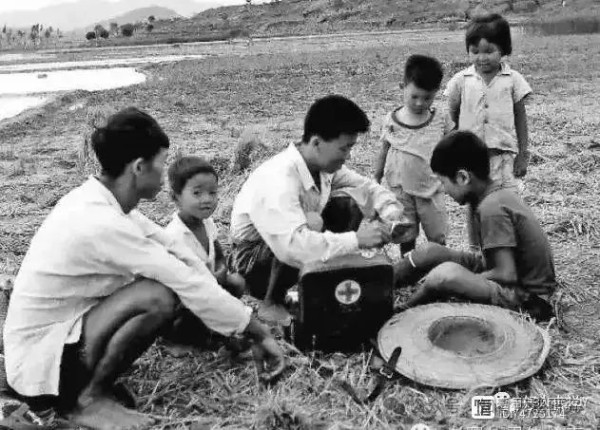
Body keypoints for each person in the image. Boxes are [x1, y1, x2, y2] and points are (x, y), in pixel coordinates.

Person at [3, 107, 285, 430]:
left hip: (59, 341)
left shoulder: (105, 202)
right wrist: (256, 330)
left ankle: (90, 386)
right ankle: (87, 400)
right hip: (39, 365)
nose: (165, 174)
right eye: (162, 164)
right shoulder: (100, 221)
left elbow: (173, 247)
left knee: (172, 284)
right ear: (139, 167)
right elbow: (179, 278)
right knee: (157, 296)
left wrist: (227, 314)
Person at [229, 95, 406, 324]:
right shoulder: (279, 179)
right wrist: (357, 240)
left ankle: (323, 283)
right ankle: (271, 302)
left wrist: (392, 215)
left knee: (348, 204)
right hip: (253, 260)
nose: (348, 156)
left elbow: (365, 186)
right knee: (311, 223)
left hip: (284, 250)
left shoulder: (323, 168)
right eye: (344, 148)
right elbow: (292, 247)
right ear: (315, 142)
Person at [397, 131, 555, 321]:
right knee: (429, 251)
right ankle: (379, 280)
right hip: (506, 273)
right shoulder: (493, 196)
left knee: (444, 275)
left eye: (443, 182)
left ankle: (403, 311)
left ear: (463, 177)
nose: (444, 190)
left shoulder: (492, 208)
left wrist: (459, 280)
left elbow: (506, 274)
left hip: (529, 299)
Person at [163, 156, 248, 354]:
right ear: (175, 197)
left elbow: (217, 250)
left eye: (212, 192)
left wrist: (222, 267)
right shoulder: (175, 235)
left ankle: (212, 329)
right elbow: (180, 281)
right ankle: (179, 339)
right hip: (185, 299)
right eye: (197, 193)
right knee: (193, 317)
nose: (207, 199)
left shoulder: (207, 223)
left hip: (208, 288)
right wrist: (210, 281)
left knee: (236, 282)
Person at [374, 54, 454, 255]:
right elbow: (383, 149)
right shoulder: (392, 120)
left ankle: (438, 264)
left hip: (430, 187)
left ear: (436, 92)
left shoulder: (440, 119)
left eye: (427, 98)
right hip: (401, 189)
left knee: (437, 233)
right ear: (402, 87)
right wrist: (376, 177)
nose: (420, 103)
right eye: (414, 96)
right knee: (406, 232)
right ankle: (407, 267)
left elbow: (452, 145)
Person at [445, 13, 532, 190]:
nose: (482, 58)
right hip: (470, 160)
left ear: (504, 49)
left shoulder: (513, 79)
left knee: (507, 200)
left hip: (504, 158)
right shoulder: (461, 81)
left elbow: (520, 116)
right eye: (475, 52)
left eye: (489, 51)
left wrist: (523, 153)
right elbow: (451, 118)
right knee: (475, 202)